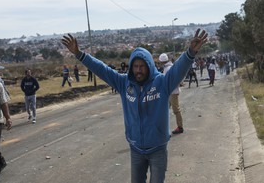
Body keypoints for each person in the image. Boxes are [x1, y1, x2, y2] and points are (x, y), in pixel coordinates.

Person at [61, 28, 208, 183]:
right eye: (135, 66)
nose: (138, 70)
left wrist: (190, 53)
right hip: (136, 150)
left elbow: (178, 70)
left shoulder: (162, 83)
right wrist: (79, 54)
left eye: (142, 66)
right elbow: (102, 69)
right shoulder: (124, 83)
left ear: (149, 66)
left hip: (158, 149)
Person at [159, 53, 184, 134]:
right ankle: (164, 128)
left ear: (162, 61)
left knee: (176, 110)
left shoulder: (167, 68)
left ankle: (180, 127)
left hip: (172, 92)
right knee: (165, 109)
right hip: (171, 92)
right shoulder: (170, 67)